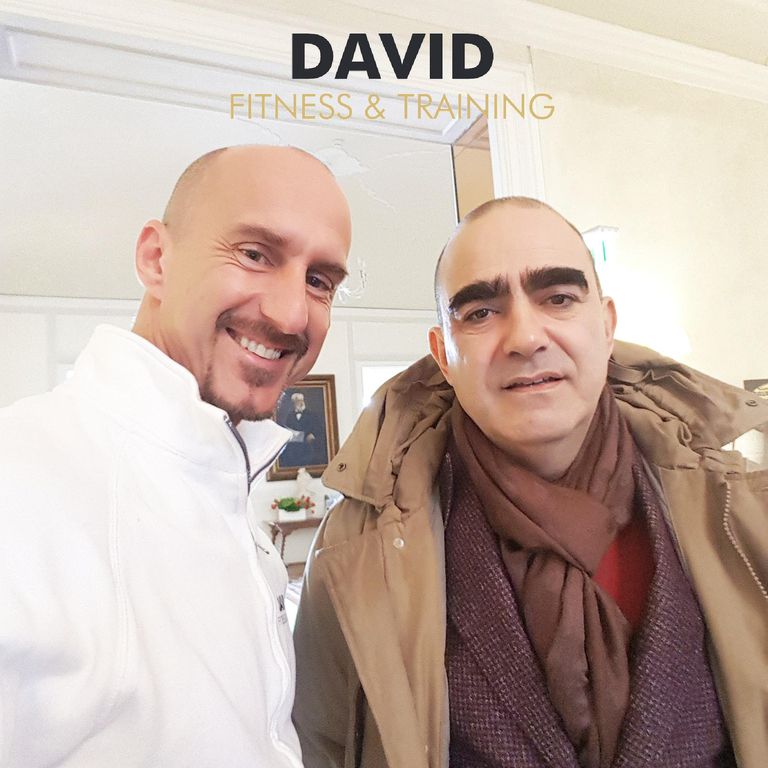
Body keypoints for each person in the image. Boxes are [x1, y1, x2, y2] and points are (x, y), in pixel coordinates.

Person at [293, 197, 768, 768]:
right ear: (443, 356)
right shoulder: (354, 551)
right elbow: (323, 746)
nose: (525, 337)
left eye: (558, 298)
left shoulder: (743, 512)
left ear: (607, 326)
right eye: (480, 312)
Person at [0, 145, 351, 767]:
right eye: (254, 254)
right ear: (156, 259)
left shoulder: (222, 478)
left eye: (319, 281)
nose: (292, 313)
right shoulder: (22, 483)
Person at [280, 391, 328, 467]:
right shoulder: (290, 416)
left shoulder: (312, 415)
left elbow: (319, 429)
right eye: (298, 401)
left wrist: (313, 435)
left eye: (302, 400)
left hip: (308, 447)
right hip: (294, 448)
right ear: (293, 403)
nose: (301, 402)